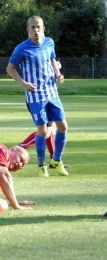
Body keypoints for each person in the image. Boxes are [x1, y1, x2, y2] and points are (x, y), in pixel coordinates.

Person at [6, 15, 69, 178]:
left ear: (43, 28)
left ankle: (57, 160)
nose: (36, 30)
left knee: (62, 126)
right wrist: (23, 83)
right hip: (35, 96)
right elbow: (10, 68)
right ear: (28, 30)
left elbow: (52, 59)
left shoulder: (49, 42)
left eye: (38, 27)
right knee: (43, 130)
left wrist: (58, 73)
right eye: (32, 27)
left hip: (52, 93)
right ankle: (42, 165)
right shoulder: (21, 48)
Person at [0, 144, 36, 213]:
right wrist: (16, 205)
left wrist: (13, 202)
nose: (20, 165)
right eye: (20, 159)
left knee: (3, 204)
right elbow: (5, 175)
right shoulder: (2, 150)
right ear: (12, 150)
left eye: (22, 165)